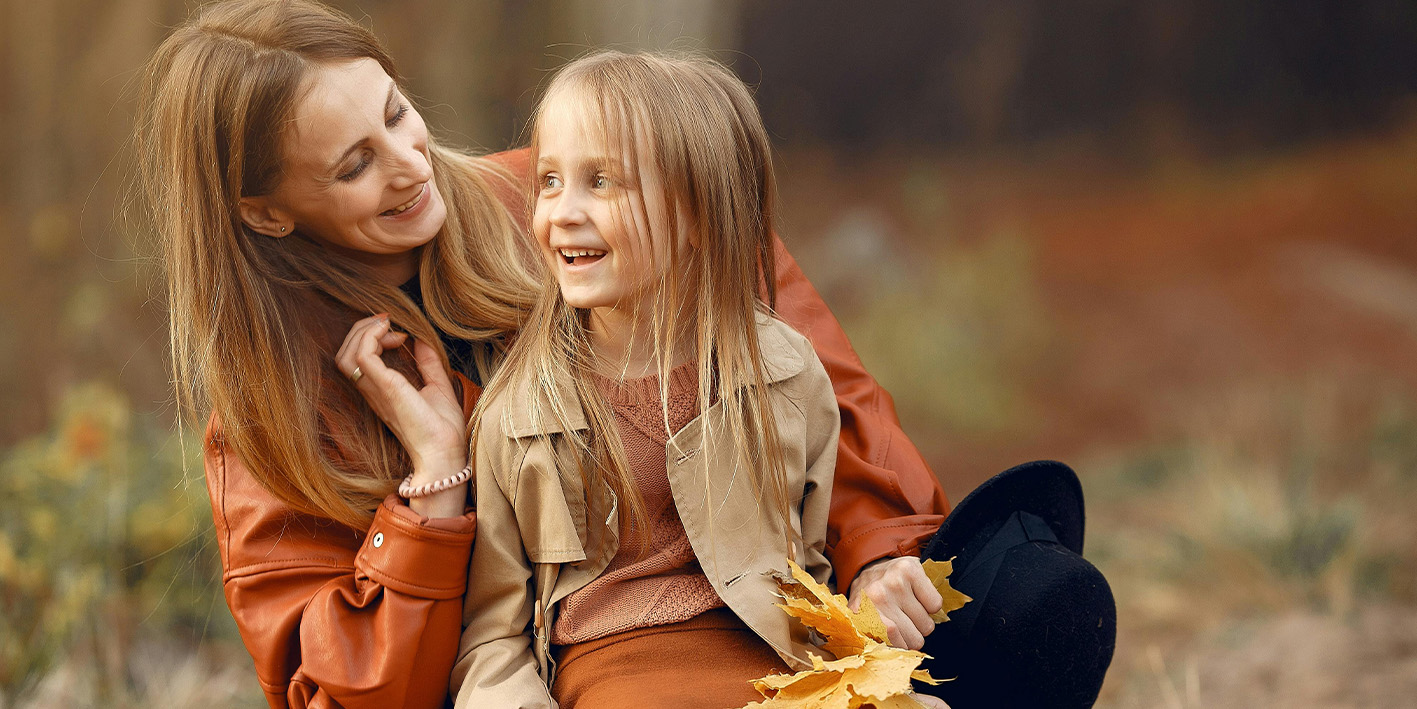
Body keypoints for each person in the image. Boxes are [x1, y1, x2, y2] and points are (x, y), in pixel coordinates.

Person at [135, 1, 951, 707]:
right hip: (553, 668)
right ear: (266, 213)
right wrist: (431, 486)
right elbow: (345, 693)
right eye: (354, 166)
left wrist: (880, 547)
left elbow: (799, 371)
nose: (410, 163)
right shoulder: (268, 421)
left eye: (394, 113)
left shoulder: (559, 192)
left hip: (748, 615)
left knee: (1015, 598)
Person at [452, 50, 839, 708]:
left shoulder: (782, 370)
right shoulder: (519, 413)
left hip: (774, 660)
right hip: (614, 673)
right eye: (549, 181)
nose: (562, 211)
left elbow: (816, 562)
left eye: (600, 181)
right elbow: (491, 635)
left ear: (695, 210)